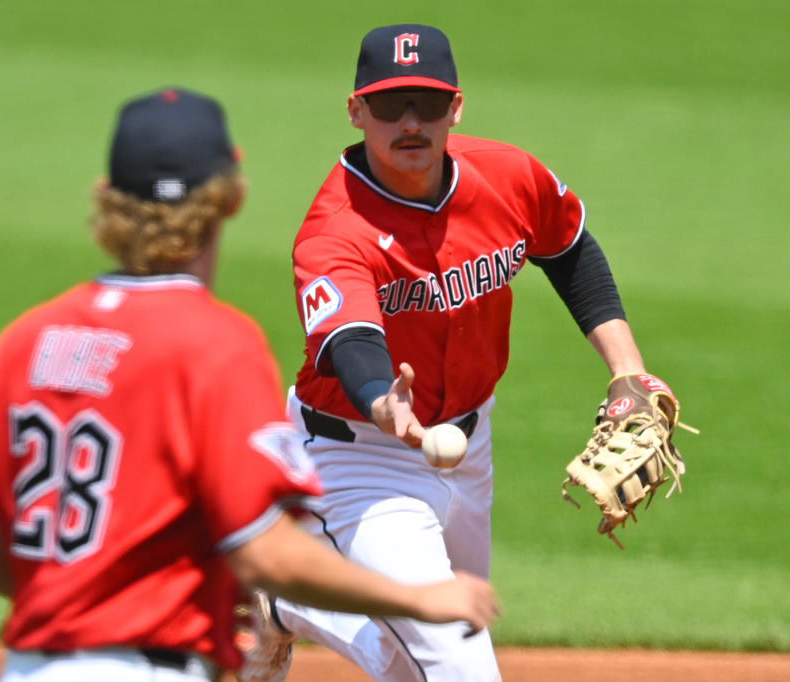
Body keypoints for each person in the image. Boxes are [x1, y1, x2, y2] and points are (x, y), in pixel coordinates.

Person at [0, 87, 500, 682]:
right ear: (232, 199)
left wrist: (70, 596)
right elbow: (263, 550)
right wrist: (419, 600)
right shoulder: (215, 343)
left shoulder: (30, 337)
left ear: (105, 196)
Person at [240, 24, 678, 682]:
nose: (410, 123)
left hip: (471, 446)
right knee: (457, 658)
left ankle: (284, 602)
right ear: (356, 110)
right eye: (390, 106)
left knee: (420, 658)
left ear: (457, 108)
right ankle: (288, 598)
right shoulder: (337, 228)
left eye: (428, 103)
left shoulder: (507, 175)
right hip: (359, 454)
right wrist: (382, 400)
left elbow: (569, 248)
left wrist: (628, 367)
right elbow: (350, 339)